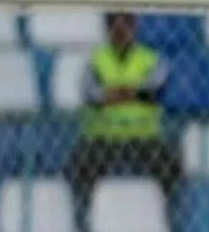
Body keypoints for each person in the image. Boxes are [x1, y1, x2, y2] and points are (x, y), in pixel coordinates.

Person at [67, 11, 182, 215]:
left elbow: (155, 89)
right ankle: (84, 217)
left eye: (126, 25)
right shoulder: (96, 60)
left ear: (134, 28)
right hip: (104, 136)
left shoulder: (150, 59)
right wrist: (131, 93)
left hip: (143, 136)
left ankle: (169, 215)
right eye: (114, 25)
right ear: (107, 29)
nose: (120, 31)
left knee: (172, 165)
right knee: (78, 166)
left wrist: (116, 94)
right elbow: (90, 93)